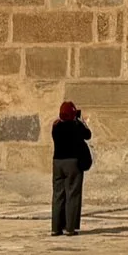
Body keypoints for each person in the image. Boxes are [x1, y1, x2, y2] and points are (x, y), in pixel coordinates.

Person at [50, 99, 92, 236]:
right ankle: (70, 228)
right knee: (72, 194)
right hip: (72, 163)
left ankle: (56, 228)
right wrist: (81, 121)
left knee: (58, 195)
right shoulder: (76, 126)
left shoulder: (56, 127)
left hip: (57, 163)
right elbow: (88, 135)